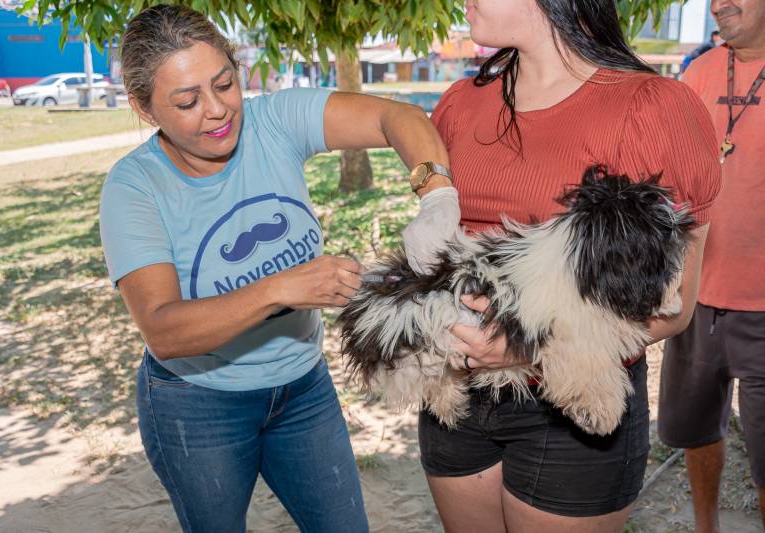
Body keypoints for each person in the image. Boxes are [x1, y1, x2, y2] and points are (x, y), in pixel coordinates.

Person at [99, 5, 453, 532]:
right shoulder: (134, 188)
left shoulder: (274, 121)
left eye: (225, 83)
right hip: (197, 405)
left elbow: (397, 117)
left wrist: (437, 197)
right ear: (144, 108)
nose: (217, 110)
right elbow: (164, 331)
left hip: (302, 387)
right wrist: (280, 289)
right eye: (187, 101)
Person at [398, 0, 722, 531]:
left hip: (575, 399)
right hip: (455, 388)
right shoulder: (461, 102)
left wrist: (529, 347)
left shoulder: (654, 108)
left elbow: (674, 307)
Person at [658, 0, 765, 531]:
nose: (718, 3)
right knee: (696, 431)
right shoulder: (698, 72)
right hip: (694, 299)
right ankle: (707, 528)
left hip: (764, 308)